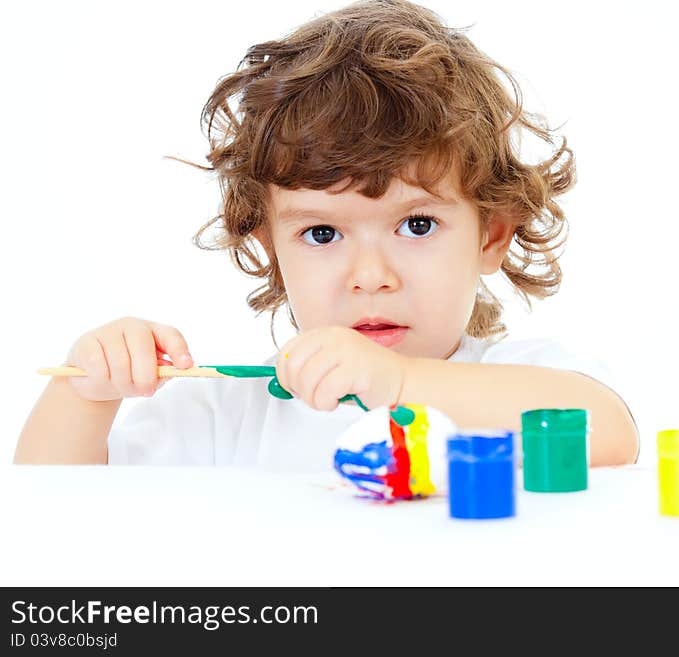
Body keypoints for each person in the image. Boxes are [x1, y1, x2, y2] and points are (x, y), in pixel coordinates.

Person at [14, 0, 638, 468]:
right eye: (320, 234)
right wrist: (86, 398)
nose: (371, 275)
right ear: (271, 251)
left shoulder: (518, 381)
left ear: (492, 237)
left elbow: (606, 433)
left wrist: (395, 385)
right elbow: (49, 512)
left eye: (416, 225)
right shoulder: (225, 415)